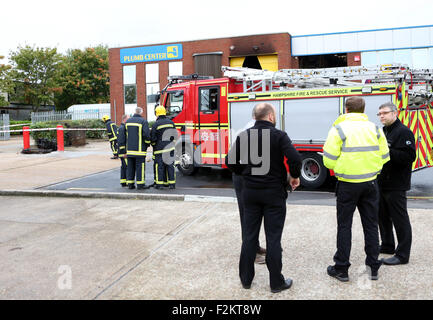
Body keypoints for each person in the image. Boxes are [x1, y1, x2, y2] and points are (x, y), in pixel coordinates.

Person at [226, 102, 302, 293]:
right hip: (274, 194)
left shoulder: (244, 136)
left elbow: (229, 162)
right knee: (273, 239)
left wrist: (245, 172)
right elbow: (295, 159)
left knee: (249, 237)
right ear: (270, 117)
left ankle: (246, 280)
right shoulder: (279, 136)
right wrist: (294, 176)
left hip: (250, 193)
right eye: (274, 115)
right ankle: (276, 282)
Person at [323, 96, 390, 282]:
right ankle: (373, 268)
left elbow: (328, 159)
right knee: (371, 225)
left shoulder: (339, 128)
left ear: (347, 110)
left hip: (347, 185)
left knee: (344, 226)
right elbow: (385, 156)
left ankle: (342, 269)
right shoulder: (375, 128)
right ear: (363, 110)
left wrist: (343, 167)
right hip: (370, 183)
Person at [377, 102, 416, 265]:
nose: (382, 116)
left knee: (400, 219)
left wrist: (386, 151)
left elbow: (409, 157)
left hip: (396, 183)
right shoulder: (383, 131)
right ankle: (387, 245)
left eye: (385, 113)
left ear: (395, 113)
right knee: (382, 217)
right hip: (382, 182)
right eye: (379, 114)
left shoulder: (404, 132)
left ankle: (402, 254)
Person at [150, 105, 178, 189]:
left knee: (160, 166)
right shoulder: (171, 122)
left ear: (157, 113)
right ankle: (172, 184)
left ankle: (160, 185)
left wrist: (154, 145)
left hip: (159, 149)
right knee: (170, 166)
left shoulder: (156, 124)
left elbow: (153, 138)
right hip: (170, 148)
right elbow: (175, 136)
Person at [125, 107, 151, 190]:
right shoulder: (143, 121)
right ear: (141, 113)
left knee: (130, 168)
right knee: (140, 168)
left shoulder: (128, 121)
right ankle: (140, 185)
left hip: (129, 150)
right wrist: (147, 144)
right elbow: (146, 135)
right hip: (140, 151)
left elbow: (125, 135)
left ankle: (130, 184)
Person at [117, 114, 130, 187]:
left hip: (122, 152)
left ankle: (123, 181)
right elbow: (121, 141)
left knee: (124, 166)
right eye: (128, 119)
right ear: (124, 119)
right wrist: (124, 152)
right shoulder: (122, 128)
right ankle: (128, 181)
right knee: (127, 166)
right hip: (123, 152)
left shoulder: (122, 127)